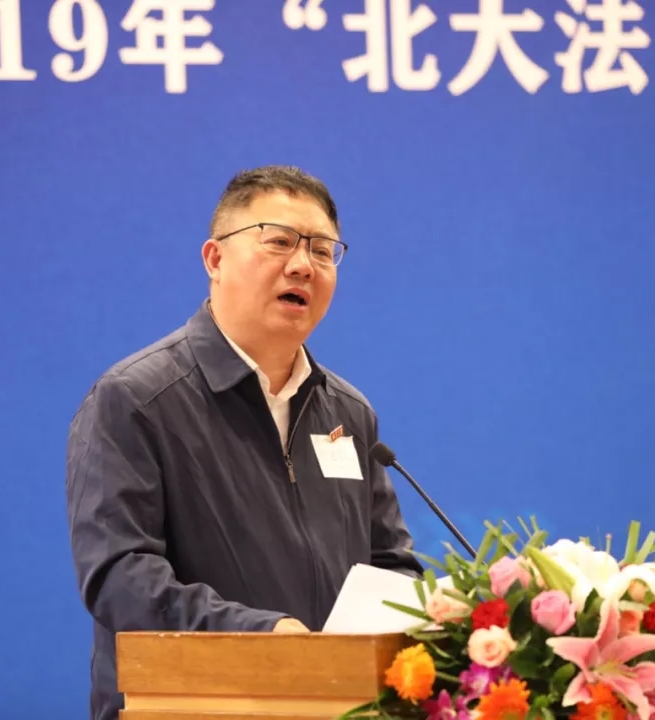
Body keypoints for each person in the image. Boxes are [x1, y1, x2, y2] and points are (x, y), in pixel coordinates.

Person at [65, 165, 423, 720]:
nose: (303, 265)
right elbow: (120, 578)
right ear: (215, 259)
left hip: (333, 706)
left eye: (323, 251)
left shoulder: (348, 413)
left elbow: (390, 565)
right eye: (279, 241)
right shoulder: (137, 400)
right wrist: (264, 636)